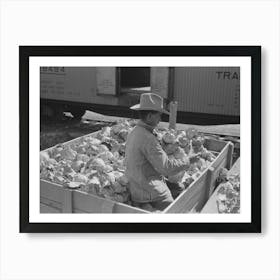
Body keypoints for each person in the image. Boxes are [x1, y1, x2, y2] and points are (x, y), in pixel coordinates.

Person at [124, 92, 199, 211]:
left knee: (178, 187)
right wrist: (188, 160)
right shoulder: (148, 139)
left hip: (137, 186)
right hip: (150, 191)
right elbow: (167, 168)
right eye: (158, 116)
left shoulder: (134, 131)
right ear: (149, 117)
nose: (160, 120)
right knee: (176, 206)